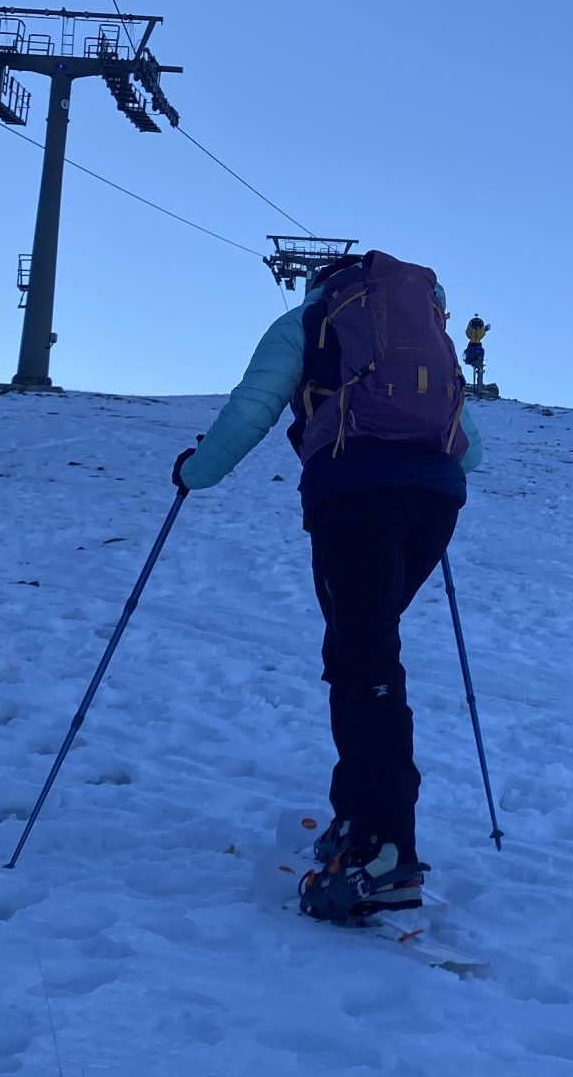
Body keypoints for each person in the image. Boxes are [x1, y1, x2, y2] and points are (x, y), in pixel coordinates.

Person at [172, 250, 481, 922]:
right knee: (358, 653)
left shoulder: (306, 321)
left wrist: (197, 472)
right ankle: (359, 822)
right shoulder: (422, 332)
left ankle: (383, 851)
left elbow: (252, 407)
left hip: (354, 493)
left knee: (365, 659)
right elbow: (472, 446)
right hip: (435, 499)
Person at [463, 315, 491, 393]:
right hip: (475, 347)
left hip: (473, 347)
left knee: (478, 354)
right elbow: (482, 332)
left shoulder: (472, 334)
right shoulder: (479, 348)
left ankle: (478, 388)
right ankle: (478, 388)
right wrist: (485, 329)